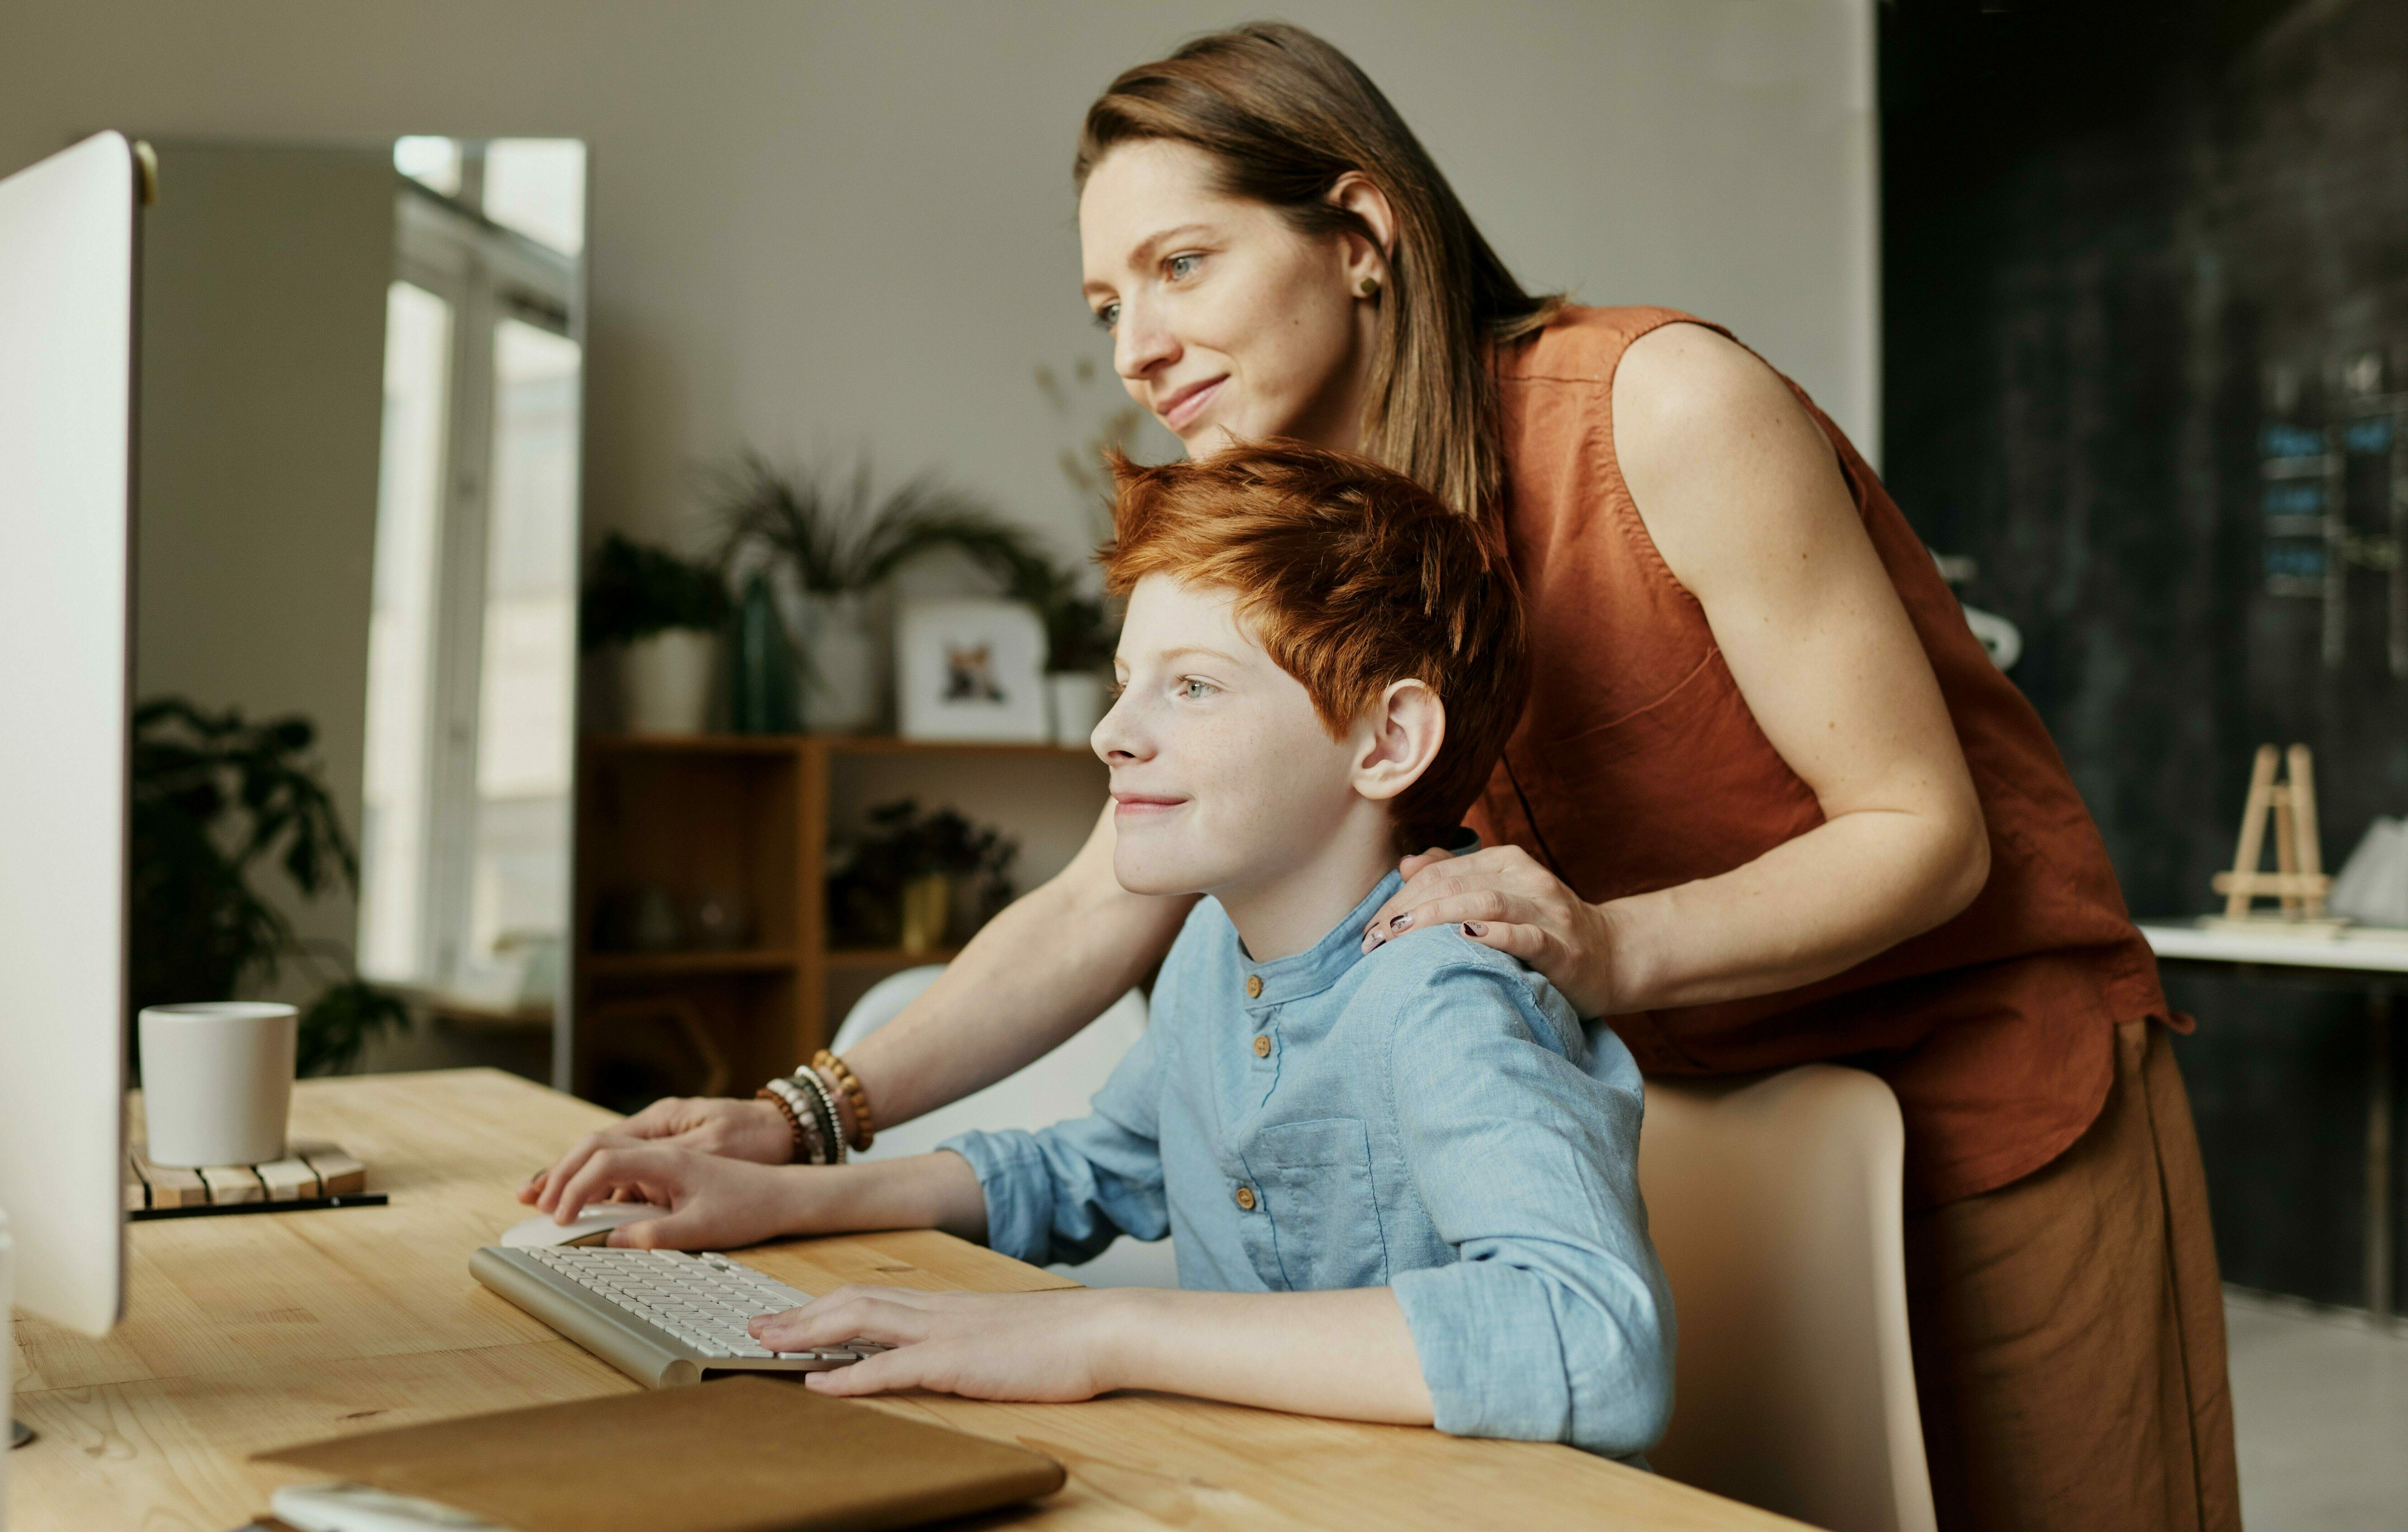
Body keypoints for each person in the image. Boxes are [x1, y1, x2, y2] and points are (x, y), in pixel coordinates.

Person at [535, 23, 2236, 1532]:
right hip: (1692, 1112)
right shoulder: (1335, 546)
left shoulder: (1663, 408)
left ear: (1359, 236)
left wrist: (1604, 950)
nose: (1138, 342)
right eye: (1109, 301)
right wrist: (803, 1117)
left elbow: (1923, 836)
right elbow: (1105, 893)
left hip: (1991, 1087)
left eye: (1182, 265)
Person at [529, 443, 1674, 1454]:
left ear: (1386, 740)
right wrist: (775, 1198)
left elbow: (1591, 1336)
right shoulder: (1210, 958)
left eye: (1190, 687)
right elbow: (1099, 1169)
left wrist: (1100, 1331)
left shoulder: (1446, 994)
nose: (1112, 733)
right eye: (1128, 682)